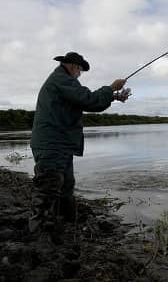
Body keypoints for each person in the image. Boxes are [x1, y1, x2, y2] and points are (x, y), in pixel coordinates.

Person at [29, 52, 130, 232]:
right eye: (80, 70)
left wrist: (113, 96)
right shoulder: (61, 79)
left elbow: (86, 101)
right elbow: (89, 100)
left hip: (61, 144)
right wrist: (111, 87)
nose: (80, 74)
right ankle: (38, 235)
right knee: (47, 188)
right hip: (52, 144)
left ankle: (65, 226)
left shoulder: (62, 81)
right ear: (74, 66)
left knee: (66, 187)